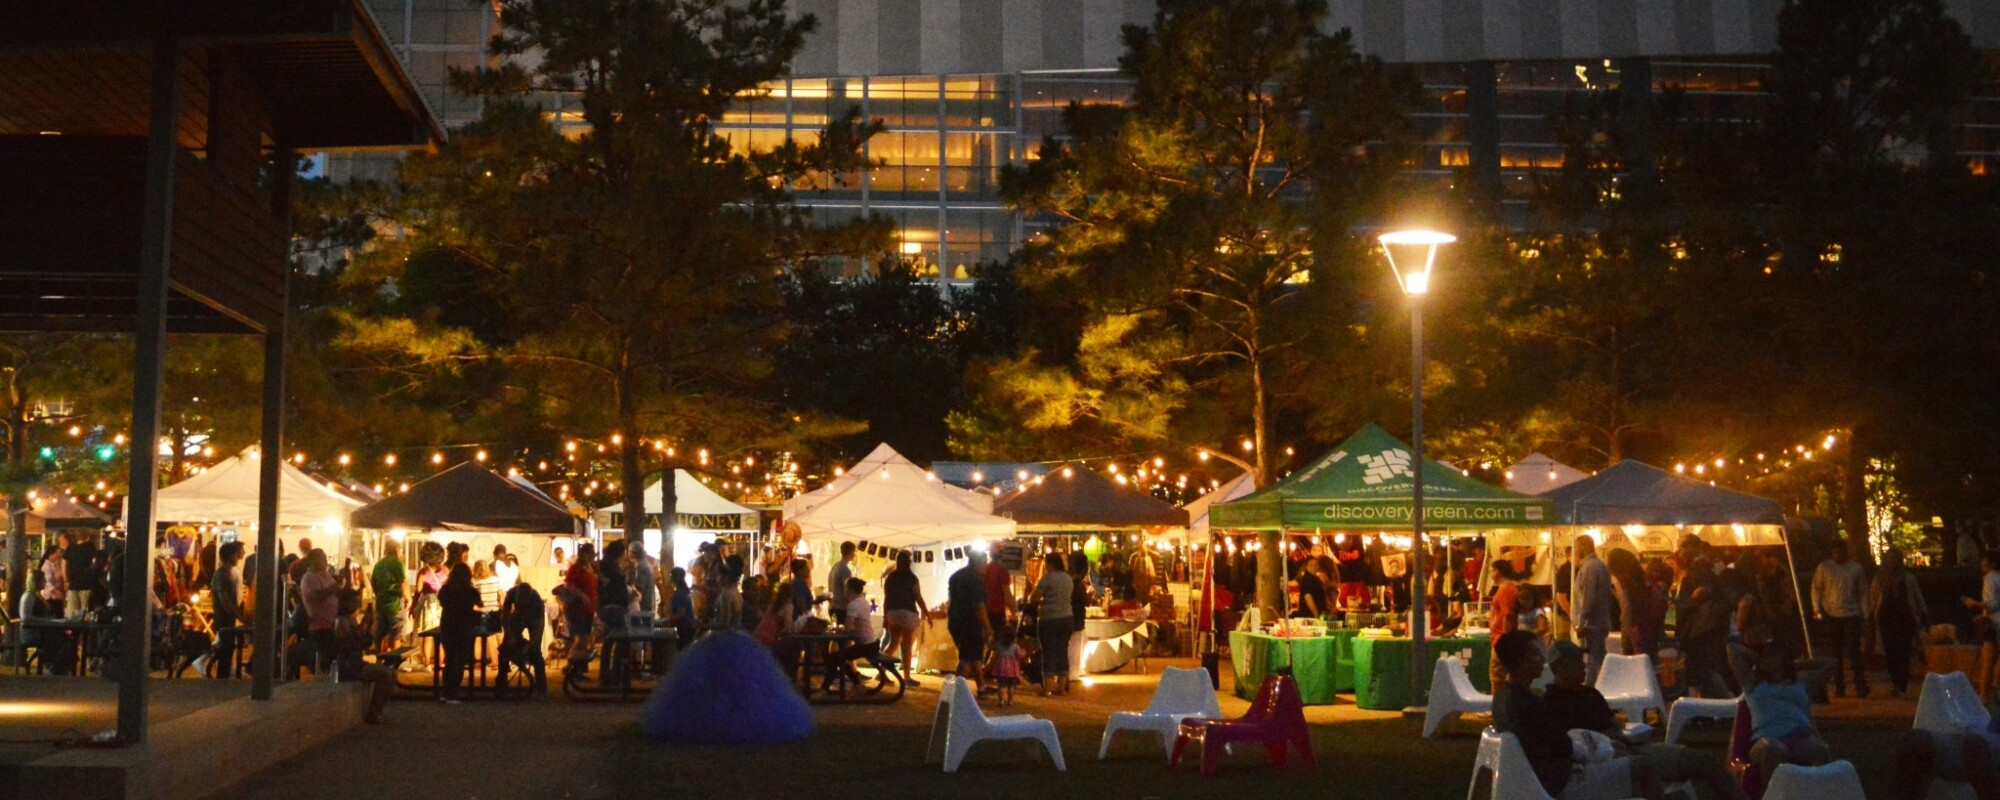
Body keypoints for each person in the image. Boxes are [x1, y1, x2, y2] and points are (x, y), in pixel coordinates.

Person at [1540, 639, 1747, 800]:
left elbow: (1614, 725)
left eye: (1581, 659)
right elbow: (1569, 747)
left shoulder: (1590, 694)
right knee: (1657, 778)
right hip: (1603, 761)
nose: (1582, 665)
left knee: (1704, 762)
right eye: (1575, 661)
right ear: (1558, 668)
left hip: (1630, 746)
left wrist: (1618, 735)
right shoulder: (1549, 705)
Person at [1491, 630, 1662, 800]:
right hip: (1561, 783)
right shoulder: (1530, 705)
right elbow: (1563, 747)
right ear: (1520, 661)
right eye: (1535, 654)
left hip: (1535, 780)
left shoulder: (1502, 700)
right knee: (1643, 766)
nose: (1542, 660)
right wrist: (1597, 750)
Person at [1745, 642, 1832, 780]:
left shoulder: (1800, 683)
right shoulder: (1753, 684)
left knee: (1819, 749)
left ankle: (1819, 792)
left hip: (1798, 734)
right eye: (1767, 657)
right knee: (1772, 749)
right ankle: (1773, 794)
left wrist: (1793, 666)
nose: (1771, 661)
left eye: (1775, 657)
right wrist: (1759, 661)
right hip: (1767, 736)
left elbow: (1829, 663)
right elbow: (1732, 650)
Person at [1674, 537, 1733, 698]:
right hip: (1709, 630)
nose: (1678, 553)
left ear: (1689, 549)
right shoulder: (1709, 569)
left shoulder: (1698, 571)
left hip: (1701, 632)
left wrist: (1687, 602)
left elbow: (1693, 600)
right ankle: (1719, 707)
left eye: (1680, 548)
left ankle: (1725, 707)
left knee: (1706, 673)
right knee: (1707, 672)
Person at [1811, 539, 1869, 697]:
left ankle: (1860, 684)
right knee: (1834, 652)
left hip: (1851, 613)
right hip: (1831, 614)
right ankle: (1840, 685)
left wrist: (1865, 614)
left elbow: (1862, 592)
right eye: (1834, 552)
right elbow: (1816, 589)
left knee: (1853, 650)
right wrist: (1817, 609)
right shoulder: (1824, 568)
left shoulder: (1856, 569)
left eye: (1840, 552)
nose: (1837, 555)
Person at [1867, 548, 1928, 697]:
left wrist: (1923, 614)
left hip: (1905, 619)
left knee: (1903, 652)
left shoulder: (1908, 579)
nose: (1893, 562)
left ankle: (1902, 684)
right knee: (1890, 653)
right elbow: (1873, 598)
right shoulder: (1880, 578)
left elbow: (1916, 596)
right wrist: (1870, 616)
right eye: (1890, 558)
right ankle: (1896, 682)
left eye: (1895, 559)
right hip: (1886, 620)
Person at [331, 588, 396, 722]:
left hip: (356, 663)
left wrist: (368, 625)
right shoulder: (342, 622)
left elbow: (364, 643)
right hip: (349, 666)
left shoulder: (350, 620)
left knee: (390, 673)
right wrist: (366, 625)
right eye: (354, 602)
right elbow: (353, 643)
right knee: (385, 674)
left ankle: (377, 710)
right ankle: (374, 712)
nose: (357, 605)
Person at [1027, 552, 1074, 696]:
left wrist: (1042, 601)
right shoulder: (1068, 578)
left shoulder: (1047, 578)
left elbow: (1034, 598)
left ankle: (1048, 685)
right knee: (1062, 650)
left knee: (1048, 651)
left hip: (1049, 619)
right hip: (1066, 618)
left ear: (1050, 564)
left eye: (1046, 563)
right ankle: (1061, 685)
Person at [946, 550, 993, 691]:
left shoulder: (956, 576)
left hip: (955, 620)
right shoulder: (975, 580)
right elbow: (979, 605)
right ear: (978, 563)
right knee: (967, 658)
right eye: (985, 563)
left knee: (974, 656)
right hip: (970, 622)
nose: (986, 566)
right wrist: (987, 627)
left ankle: (982, 686)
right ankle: (955, 691)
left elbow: (950, 599)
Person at [1571, 536, 1615, 685]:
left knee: (1592, 661)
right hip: (1598, 622)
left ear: (1582, 547)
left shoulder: (1590, 568)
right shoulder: (1600, 566)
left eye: (1576, 548)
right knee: (1598, 658)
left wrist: (1582, 623)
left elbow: (1588, 598)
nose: (1575, 551)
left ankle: (1593, 691)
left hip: (1591, 624)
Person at [881, 551, 928, 684]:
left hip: (893, 613)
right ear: (909, 562)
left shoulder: (890, 578)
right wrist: (927, 613)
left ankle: (881, 671)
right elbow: (918, 598)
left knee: (893, 643)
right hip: (908, 613)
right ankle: (906, 676)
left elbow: (887, 599)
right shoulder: (912, 578)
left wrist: (885, 616)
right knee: (906, 646)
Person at [437, 563, 481, 703]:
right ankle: (454, 693)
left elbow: (442, 602)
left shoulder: (445, 590)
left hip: (447, 626)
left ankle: (445, 691)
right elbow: (479, 604)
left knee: (449, 659)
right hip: (464, 627)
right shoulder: (471, 591)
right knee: (460, 660)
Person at [1606, 549, 1661, 660]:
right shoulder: (1636, 582)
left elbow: (1632, 610)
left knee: (1634, 662)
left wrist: (1634, 636)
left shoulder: (1631, 585)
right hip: (1634, 629)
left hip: (1634, 630)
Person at [499, 579, 548, 698]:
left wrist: (528, 647)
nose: (522, 603)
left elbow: (538, 631)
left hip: (534, 618)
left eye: (524, 602)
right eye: (519, 602)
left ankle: (541, 689)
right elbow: (505, 615)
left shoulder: (537, 603)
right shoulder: (511, 593)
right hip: (517, 615)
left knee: (536, 653)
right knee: (504, 649)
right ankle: (501, 683)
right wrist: (509, 635)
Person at [826, 576, 877, 689]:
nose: (844, 592)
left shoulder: (853, 605)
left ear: (851, 590)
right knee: (838, 657)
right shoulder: (863, 601)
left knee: (835, 657)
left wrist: (838, 629)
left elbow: (848, 629)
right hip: (871, 643)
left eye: (846, 589)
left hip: (865, 645)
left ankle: (825, 688)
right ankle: (856, 683)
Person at [298, 549, 341, 675]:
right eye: (322, 558)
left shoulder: (326, 575)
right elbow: (317, 595)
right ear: (313, 561)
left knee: (334, 655)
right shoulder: (309, 578)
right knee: (326, 658)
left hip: (332, 623)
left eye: (325, 557)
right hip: (321, 625)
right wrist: (334, 587)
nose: (325, 561)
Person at [597, 540, 633, 683]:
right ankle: (615, 674)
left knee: (609, 641)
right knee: (621, 640)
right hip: (614, 607)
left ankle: (607, 675)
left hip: (609, 606)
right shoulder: (610, 567)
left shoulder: (607, 565)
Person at [561, 543, 600, 675]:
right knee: (580, 637)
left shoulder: (592, 568)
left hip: (589, 607)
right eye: (590, 553)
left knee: (586, 637)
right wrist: (581, 594)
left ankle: (579, 667)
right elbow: (567, 584)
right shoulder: (576, 568)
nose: (593, 555)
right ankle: (571, 663)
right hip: (577, 607)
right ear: (584, 555)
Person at [210, 542, 247, 678]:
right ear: (232, 555)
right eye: (239, 552)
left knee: (228, 649)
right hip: (223, 617)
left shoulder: (230, 572)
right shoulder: (222, 574)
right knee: (226, 650)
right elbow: (225, 600)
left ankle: (223, 676)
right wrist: (239, 616)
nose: (241, 555)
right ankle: (222, 679)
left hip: (228, 617)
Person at [1969, 552, 2000, 699]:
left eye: (1984, 561)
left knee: (1988, 661)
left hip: (1994, 623)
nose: (1982, 564)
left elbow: (1992, 604)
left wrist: (1974, 604)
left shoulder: (1990, 579)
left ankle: (1984, 696)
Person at [370, 547, 406, 654]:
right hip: (395, 603)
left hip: (381, 603)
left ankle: (379, 659)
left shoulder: (379, 564)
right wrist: (408, 598)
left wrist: (378, 594)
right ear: (396, 550)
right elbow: (403, 582)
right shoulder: (398, 564)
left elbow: (373, 582)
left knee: (380, 632)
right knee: (396, 633)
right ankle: (394, 661)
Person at [62, 532, 99, 619]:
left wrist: (66, 580)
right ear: (88, 537)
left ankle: (72, 630)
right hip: (87, 583)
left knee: (72, 613)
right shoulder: (91, 547)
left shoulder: (70, 548)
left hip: (72, 584)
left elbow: (64, 564)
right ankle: (84, 631)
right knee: (85, 612)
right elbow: (95, 563)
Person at [983, 543, 1016, 635]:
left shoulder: (985, 569)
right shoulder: (1003, 570)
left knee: (989, 638)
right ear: (1002, 554)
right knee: (999, 641)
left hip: (985, 610)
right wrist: (1014, 612)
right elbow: (1007, 593)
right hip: (997, 612)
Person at [987, 628, 1022, 706]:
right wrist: (1024, 653)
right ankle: (1010, 701)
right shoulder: (1015, 646)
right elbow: (1020, 656)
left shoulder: (998, 645)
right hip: (1012, 669)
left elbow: (990, 647)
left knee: (1001, 686)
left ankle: (1001, 701)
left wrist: (989, 639)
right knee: (1011, 686)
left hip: (1001, 668)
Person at [710, 555, 744, 631]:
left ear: (726, 576)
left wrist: (703, 626)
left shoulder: (725, 594)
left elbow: (724, 624)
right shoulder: (736, 591)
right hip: (737, 634)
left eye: (718, 574)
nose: (717, 578)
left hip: (725, 636)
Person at [828, 542, 857, 625]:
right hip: (841, 608)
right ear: (851, 552)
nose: (855, 555)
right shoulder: (845, 570)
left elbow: (830, 586)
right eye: (854, 552)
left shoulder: (835, 566)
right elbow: (847, 591)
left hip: (833, 606)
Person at [666, 567, 696, 643]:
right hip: (689, 627)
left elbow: (681, 613)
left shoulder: (680, 593)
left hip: (684, 629)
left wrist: (669, 620)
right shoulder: (684, 590)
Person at [37, 544, 66, 616]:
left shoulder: (55, 565)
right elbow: (48, 582)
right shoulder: (47, 566)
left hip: (58, 596)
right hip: (52, 596)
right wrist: (57, 592)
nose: (59, 555)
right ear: (51, 554)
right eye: (57, 553)